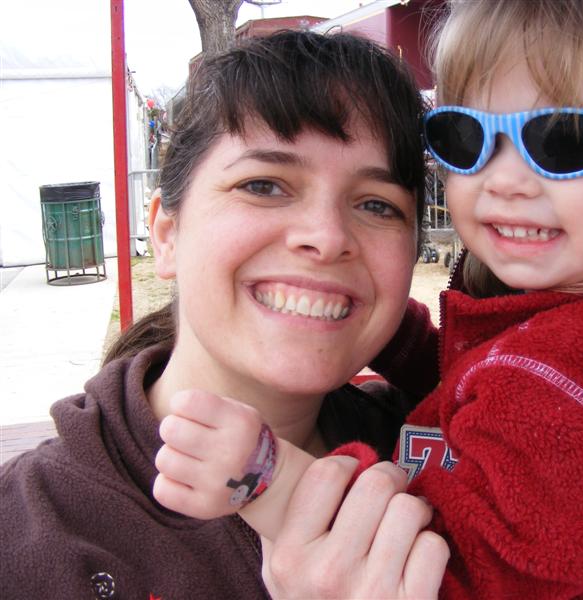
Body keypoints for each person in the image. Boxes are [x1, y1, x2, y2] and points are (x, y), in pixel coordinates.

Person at [166, 1, 583, 597]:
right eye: (466, 136)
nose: (504, 179)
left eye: (567, 141)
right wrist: (394, 333)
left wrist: (277, 480)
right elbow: (487, 392)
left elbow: (463, 568)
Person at [0, 31, 450, 599]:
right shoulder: (29, 536)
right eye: (264, 185)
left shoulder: (449, 455)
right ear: (167, 234)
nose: (327, 236)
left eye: (377, 204)